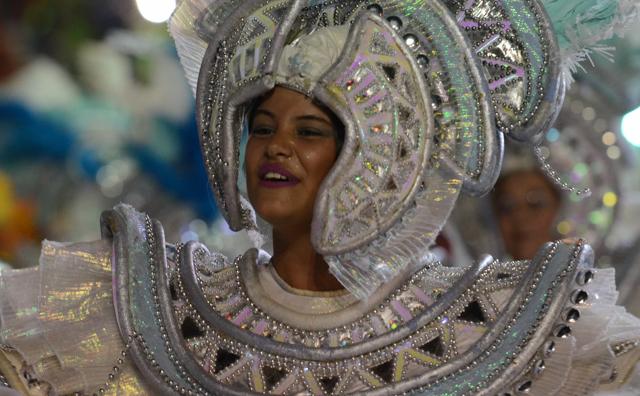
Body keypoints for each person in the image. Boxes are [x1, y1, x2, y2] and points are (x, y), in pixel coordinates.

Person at [1, 0, 640, 395]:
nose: (276, 148)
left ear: (384, 156)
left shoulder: (512, 324)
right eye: (262, 128)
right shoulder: (139, 309)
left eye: (309, 132)